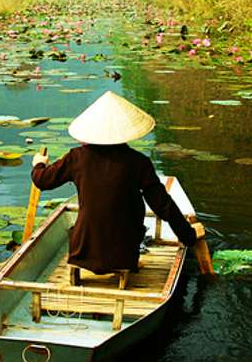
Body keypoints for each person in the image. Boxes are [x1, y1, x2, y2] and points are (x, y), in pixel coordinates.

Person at [31, 91, 199, 284]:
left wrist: (39, 164)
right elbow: (163, 205)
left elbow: (42, 180)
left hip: (83, 249)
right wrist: (188, 236)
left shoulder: (76, 158)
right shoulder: (139, 162)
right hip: (123, 251)